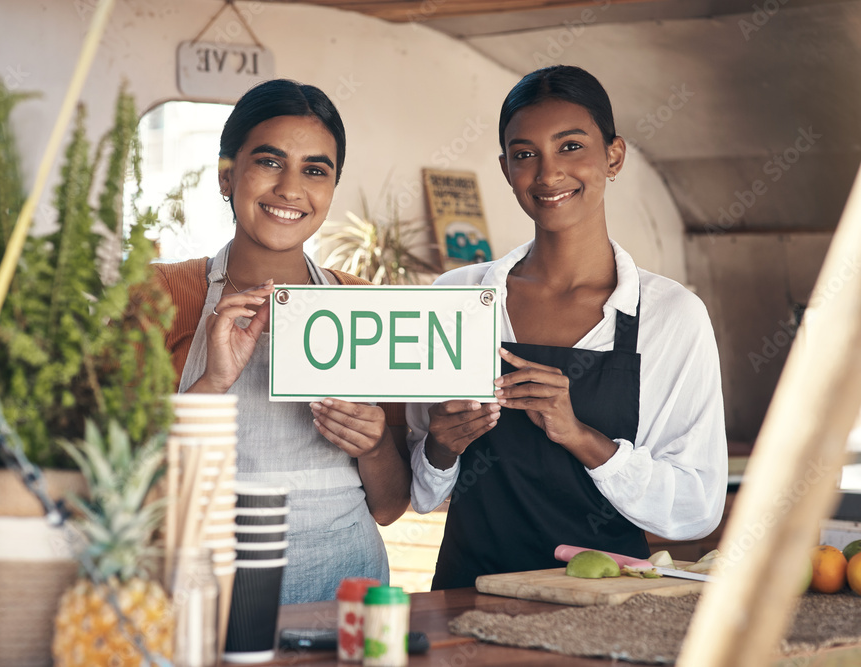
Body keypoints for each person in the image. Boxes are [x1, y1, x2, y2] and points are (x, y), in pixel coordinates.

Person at [407, 65, 728, 590]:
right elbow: (419, 492)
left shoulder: (670, 315)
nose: (548, 173)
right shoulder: (456, 295)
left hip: (609, 602)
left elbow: (695, 508)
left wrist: (579, 436)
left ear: (614, 156)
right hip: (467, 596)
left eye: (571, 146)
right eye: (525, 153)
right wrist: (442, 446)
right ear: (507, 169)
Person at [151, 79, 410, 604]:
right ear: (227, 176)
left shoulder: (363, 303)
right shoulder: (160, 296)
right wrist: (213, 381)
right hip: (203, 582)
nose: (291, 189)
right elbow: (130, 479)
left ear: (332, 187)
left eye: (316, 170)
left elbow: (389, 506)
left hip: (344, 582)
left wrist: (376, 442)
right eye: (269, 162)